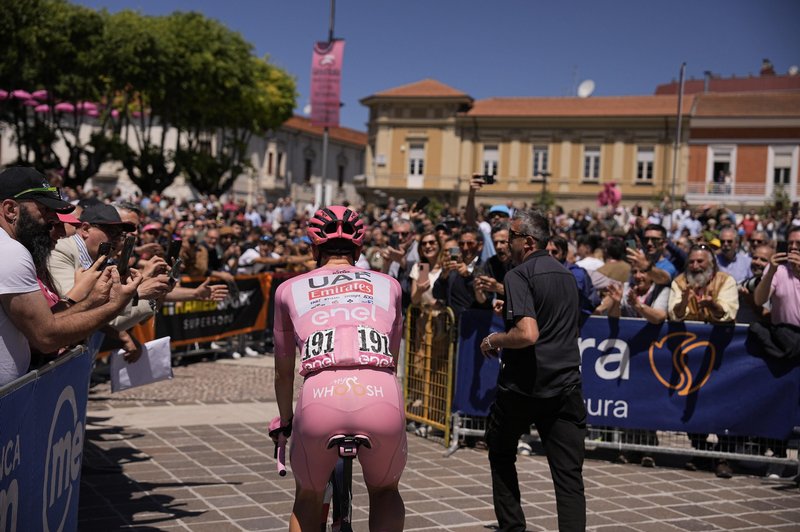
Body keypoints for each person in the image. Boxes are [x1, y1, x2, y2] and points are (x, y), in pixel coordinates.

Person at [270, 205, 407, 532]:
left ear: (314, 248)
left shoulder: (288, 289)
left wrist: (285, 420)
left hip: (320, 395)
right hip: (379, 391)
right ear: (359, 250)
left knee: (308, 496)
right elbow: (394, 354)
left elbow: (283, 370)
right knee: (386, 491)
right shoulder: (390, 285)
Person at [480, 209, 586, 532]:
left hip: (524, 387)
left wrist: (494, 338)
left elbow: (528, 333)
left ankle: (512, 527)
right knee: (568, 477)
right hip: (566, 385)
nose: (506, 243)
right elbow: (551, 318)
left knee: (499, 452)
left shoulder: (518, 274)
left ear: (527, 241)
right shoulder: (566, 275)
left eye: (510, 237)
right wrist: (509, 310)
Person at [0, 166, 142, 386]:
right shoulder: (10, 251)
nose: (53, 222)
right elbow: (46, 336)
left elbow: (47, 321)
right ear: (10, 209)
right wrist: (114, 305)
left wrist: (93, 300)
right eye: (45, 211)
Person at [668, 244, 738, 478]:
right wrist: (683, 302)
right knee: (692, 405)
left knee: (723, 405)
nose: (696, 266)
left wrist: (713, 305)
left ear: (711, 263)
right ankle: (700, 451)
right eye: (692, 262)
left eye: (701, 262)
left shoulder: (725, 280)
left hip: (721, 355)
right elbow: (674, 313)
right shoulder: (679, 282)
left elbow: (729, 312)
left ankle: (723, 456)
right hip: (690, 356)